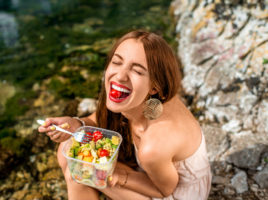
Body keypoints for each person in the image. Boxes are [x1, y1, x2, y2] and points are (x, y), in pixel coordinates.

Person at [38, 30, 212, 200]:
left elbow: (164, 190)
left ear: (154, 87)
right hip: (154, 173)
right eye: (117, 62)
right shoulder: (146, 100)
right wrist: (76, 124)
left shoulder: (154, 143)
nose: (120, 76)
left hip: (175, 192)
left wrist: (118, 176)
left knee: (80, 170)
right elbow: (96, 120)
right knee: (69, 149)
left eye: (137, 71)